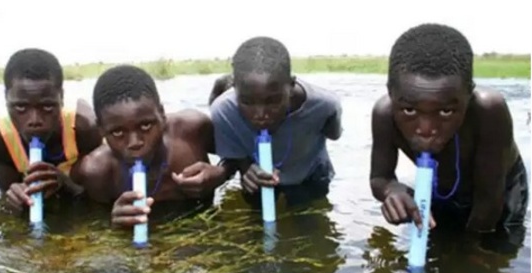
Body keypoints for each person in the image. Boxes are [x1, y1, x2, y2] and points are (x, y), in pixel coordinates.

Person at [369, 23, 528, 249]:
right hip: (441, 185)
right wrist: (391, 191)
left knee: (496, 249)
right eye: (410, 110)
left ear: (469, 94)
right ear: (390, 92)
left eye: (446, 111)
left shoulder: (488, 111)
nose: (426, 128)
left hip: (498, 188)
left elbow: (488, 201)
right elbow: (379, 178)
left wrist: (470, 253)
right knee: (438, 242)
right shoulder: (384, 115)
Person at [74, 65, 229, 228]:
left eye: (146, 125)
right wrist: (113, 225)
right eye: (118, 132)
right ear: (101, 130)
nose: (135, 142)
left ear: (162, 114)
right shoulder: (97, 173)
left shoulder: (192, 131)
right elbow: (89, 227)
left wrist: (221, 173)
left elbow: (237, 156)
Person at [209, 36, 343, 208]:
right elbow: (234, 155)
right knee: (256, 225)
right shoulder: (223, 111)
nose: (261, 114)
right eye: (247, 102)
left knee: (310, 220)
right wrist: (247, 169)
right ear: (234, 87)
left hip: (311, 176)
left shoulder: (325, 105)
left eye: (273, 101)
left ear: (291, 85)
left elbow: (334, 134)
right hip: (259, 181)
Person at [0, 48, 103, 212]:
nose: (34, 121)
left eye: (48, 107)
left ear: (61, 98)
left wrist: (67, 186)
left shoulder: (85, 127)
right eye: (21, 107)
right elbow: (7, 195)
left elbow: (95, 195)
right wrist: (16, 199)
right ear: (6, 97)